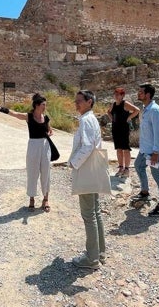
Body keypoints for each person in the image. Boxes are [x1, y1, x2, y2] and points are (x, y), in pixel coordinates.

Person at [0, 93, 53, 212]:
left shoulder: (45, 118)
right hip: (33, 146)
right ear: (37, 105)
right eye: (43, 105)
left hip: (45, 146)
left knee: (46, 172)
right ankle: (31, 199)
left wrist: (50, 133)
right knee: (32, 172)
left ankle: (45, 199)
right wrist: (2, 109)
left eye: (45, 105)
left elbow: (49, 130)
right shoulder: (29, 117)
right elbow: (15, 114)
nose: (45, 107)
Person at [68, 90, 106, 269]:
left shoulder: (86, 120)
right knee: (95, 212)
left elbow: (88, 146)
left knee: (89, 215)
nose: (76, 104)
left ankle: (92, 259)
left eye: (79, 101)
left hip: (86, 170)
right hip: (93, 170)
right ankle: (99, 252)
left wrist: (74, 163)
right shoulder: (90, 118)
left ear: (89, 101)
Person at [132, 83, 159, 217]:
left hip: (153, 152)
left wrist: (156, 153)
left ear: (147, 95)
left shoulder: (154, 110)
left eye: (141, 92)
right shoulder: (146, 108)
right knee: (138, 166)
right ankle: (144, 192)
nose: (138, 94)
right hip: (145, 150)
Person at [107, 87, 140, 177]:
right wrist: (112, 119)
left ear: (122, 95)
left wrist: (129, 117)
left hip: (124, 129)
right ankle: (121, 168)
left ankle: (127, 169)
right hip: (115, 129)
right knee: (118, 149)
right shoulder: (113, 104)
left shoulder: (125, 103)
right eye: (115, 94)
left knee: (125, 149)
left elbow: (137, 110)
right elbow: (108, 112)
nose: (116, 96)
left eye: (118, 94)